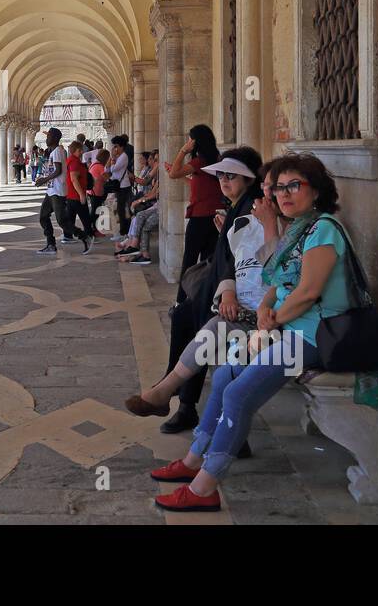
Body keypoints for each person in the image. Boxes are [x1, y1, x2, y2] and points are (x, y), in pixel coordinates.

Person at [148, 153, 355, 512]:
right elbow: (275, 279)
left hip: (311, 336)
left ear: (317, 190)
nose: (283, 195)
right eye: (277, 188)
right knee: (226, 372)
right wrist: (264, 309)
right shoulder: (298, 229)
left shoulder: (322, 229)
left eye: (294, 186)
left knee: (238, 394)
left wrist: (269, 320)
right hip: (285, 328)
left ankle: (205, 486)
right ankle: (195, 457)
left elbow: (308, 292)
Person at [124, 148, 265, 432]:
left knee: (192, 320)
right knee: (186, 317)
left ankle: (180, 400)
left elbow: (244, 260)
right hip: (223, 291)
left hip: (239, 298)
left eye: (232, 176)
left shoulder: (251, 209)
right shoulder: (237, 205)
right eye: (222, 175)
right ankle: (177, 398)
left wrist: (227, 288)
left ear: (249, 180)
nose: (224, 180)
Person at [163, 124, 225, 272]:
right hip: (215, 217)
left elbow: (173, 174)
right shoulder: (216, 159)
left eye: (190, 140)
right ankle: (203, 294)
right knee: (208, 261)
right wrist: (181, 175)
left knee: (189, 261)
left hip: (200, 217)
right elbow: (201, 184)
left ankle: (184, 295)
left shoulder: (199, 161)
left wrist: (183, 151)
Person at [34, 127, 71, 254]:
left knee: (61, 221)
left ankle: (85, 235)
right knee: (43, 217)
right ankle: (51, 245)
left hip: (57, 191)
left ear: (55, 138)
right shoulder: (55, 151)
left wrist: (43, 180)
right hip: (51, 190)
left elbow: (58, 170)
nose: (46, 138)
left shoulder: (57, 151)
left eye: (48, 136)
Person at [63, 140, 94, 253]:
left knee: (69, 218)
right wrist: (82, 194)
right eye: (80, 150)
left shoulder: (73, 160)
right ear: (75, 150)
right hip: (76, 195)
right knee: (85, 218)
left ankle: (68, 236)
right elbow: (74, 179)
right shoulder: (74, 162)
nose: (82, 152)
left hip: (72, 195)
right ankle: (88, 237)